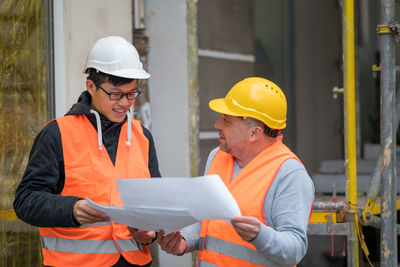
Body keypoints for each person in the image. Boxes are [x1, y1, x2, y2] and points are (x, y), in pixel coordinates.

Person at [13, 36, 161, 267]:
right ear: (91, 86)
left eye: (132, 94)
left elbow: (155, 202)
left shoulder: (143, 137)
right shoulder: (56, 134)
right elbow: (26, 200)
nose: (125, 103)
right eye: (116, 94)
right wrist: (71, 209)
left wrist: (151, 231)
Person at [157, 77, 315, 267]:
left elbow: (294, 250)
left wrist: (260, 235)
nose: (218, 125)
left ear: (255, 133)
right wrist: (184, 242)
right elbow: (207, 220)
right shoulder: (217, 156)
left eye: (227, 120)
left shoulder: (289, 174)